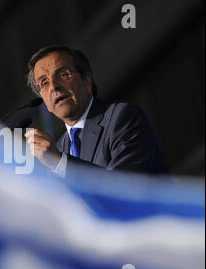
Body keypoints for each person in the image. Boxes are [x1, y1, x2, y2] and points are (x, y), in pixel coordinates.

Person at [24, 45, 169, 178]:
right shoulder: (59, 148)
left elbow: (124, 187)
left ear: (87, 81)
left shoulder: (123, 118)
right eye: (44, 83)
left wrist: (60, 162)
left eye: (63, 74)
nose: (54, 86)